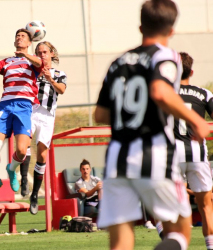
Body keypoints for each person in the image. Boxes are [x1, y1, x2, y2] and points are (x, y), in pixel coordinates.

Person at [94, 0, 210, 249]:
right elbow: (159, 91)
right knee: (180, 230)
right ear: (171, 30)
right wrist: (196, 120)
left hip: (117, 158)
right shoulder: (166, 55)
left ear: (140, 27)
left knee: (120, 243)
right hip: (154, 153)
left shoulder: (118, 62)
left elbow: (100, 115)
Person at [0, 29, 42, 204]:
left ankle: (12, 169)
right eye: (17, 37)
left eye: (23, 37)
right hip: (5, 106)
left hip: (24, 107)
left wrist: (26, 55)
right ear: (14, 42)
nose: (19, 38)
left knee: (21, 150)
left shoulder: (34, 62)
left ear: (29, 43)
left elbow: (39, 63)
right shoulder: (7, 62)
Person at [18, 41, 67, 214]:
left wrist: (50, 79)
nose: (41, 55)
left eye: (44, 52)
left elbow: (61, 90)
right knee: (23, 145)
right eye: (38, 52)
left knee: (42, 155)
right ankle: (24, 179)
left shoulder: (59, 73)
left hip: (47, 116)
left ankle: (34, 195)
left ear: (52, 53)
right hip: (31, 112)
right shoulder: (32, 71)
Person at [173, 52, 213, 249]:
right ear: (192, 71)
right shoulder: (205, 94)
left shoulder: (164, 92)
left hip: (173, 156)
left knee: (171, 206)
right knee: (206, 206)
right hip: (198, 154)